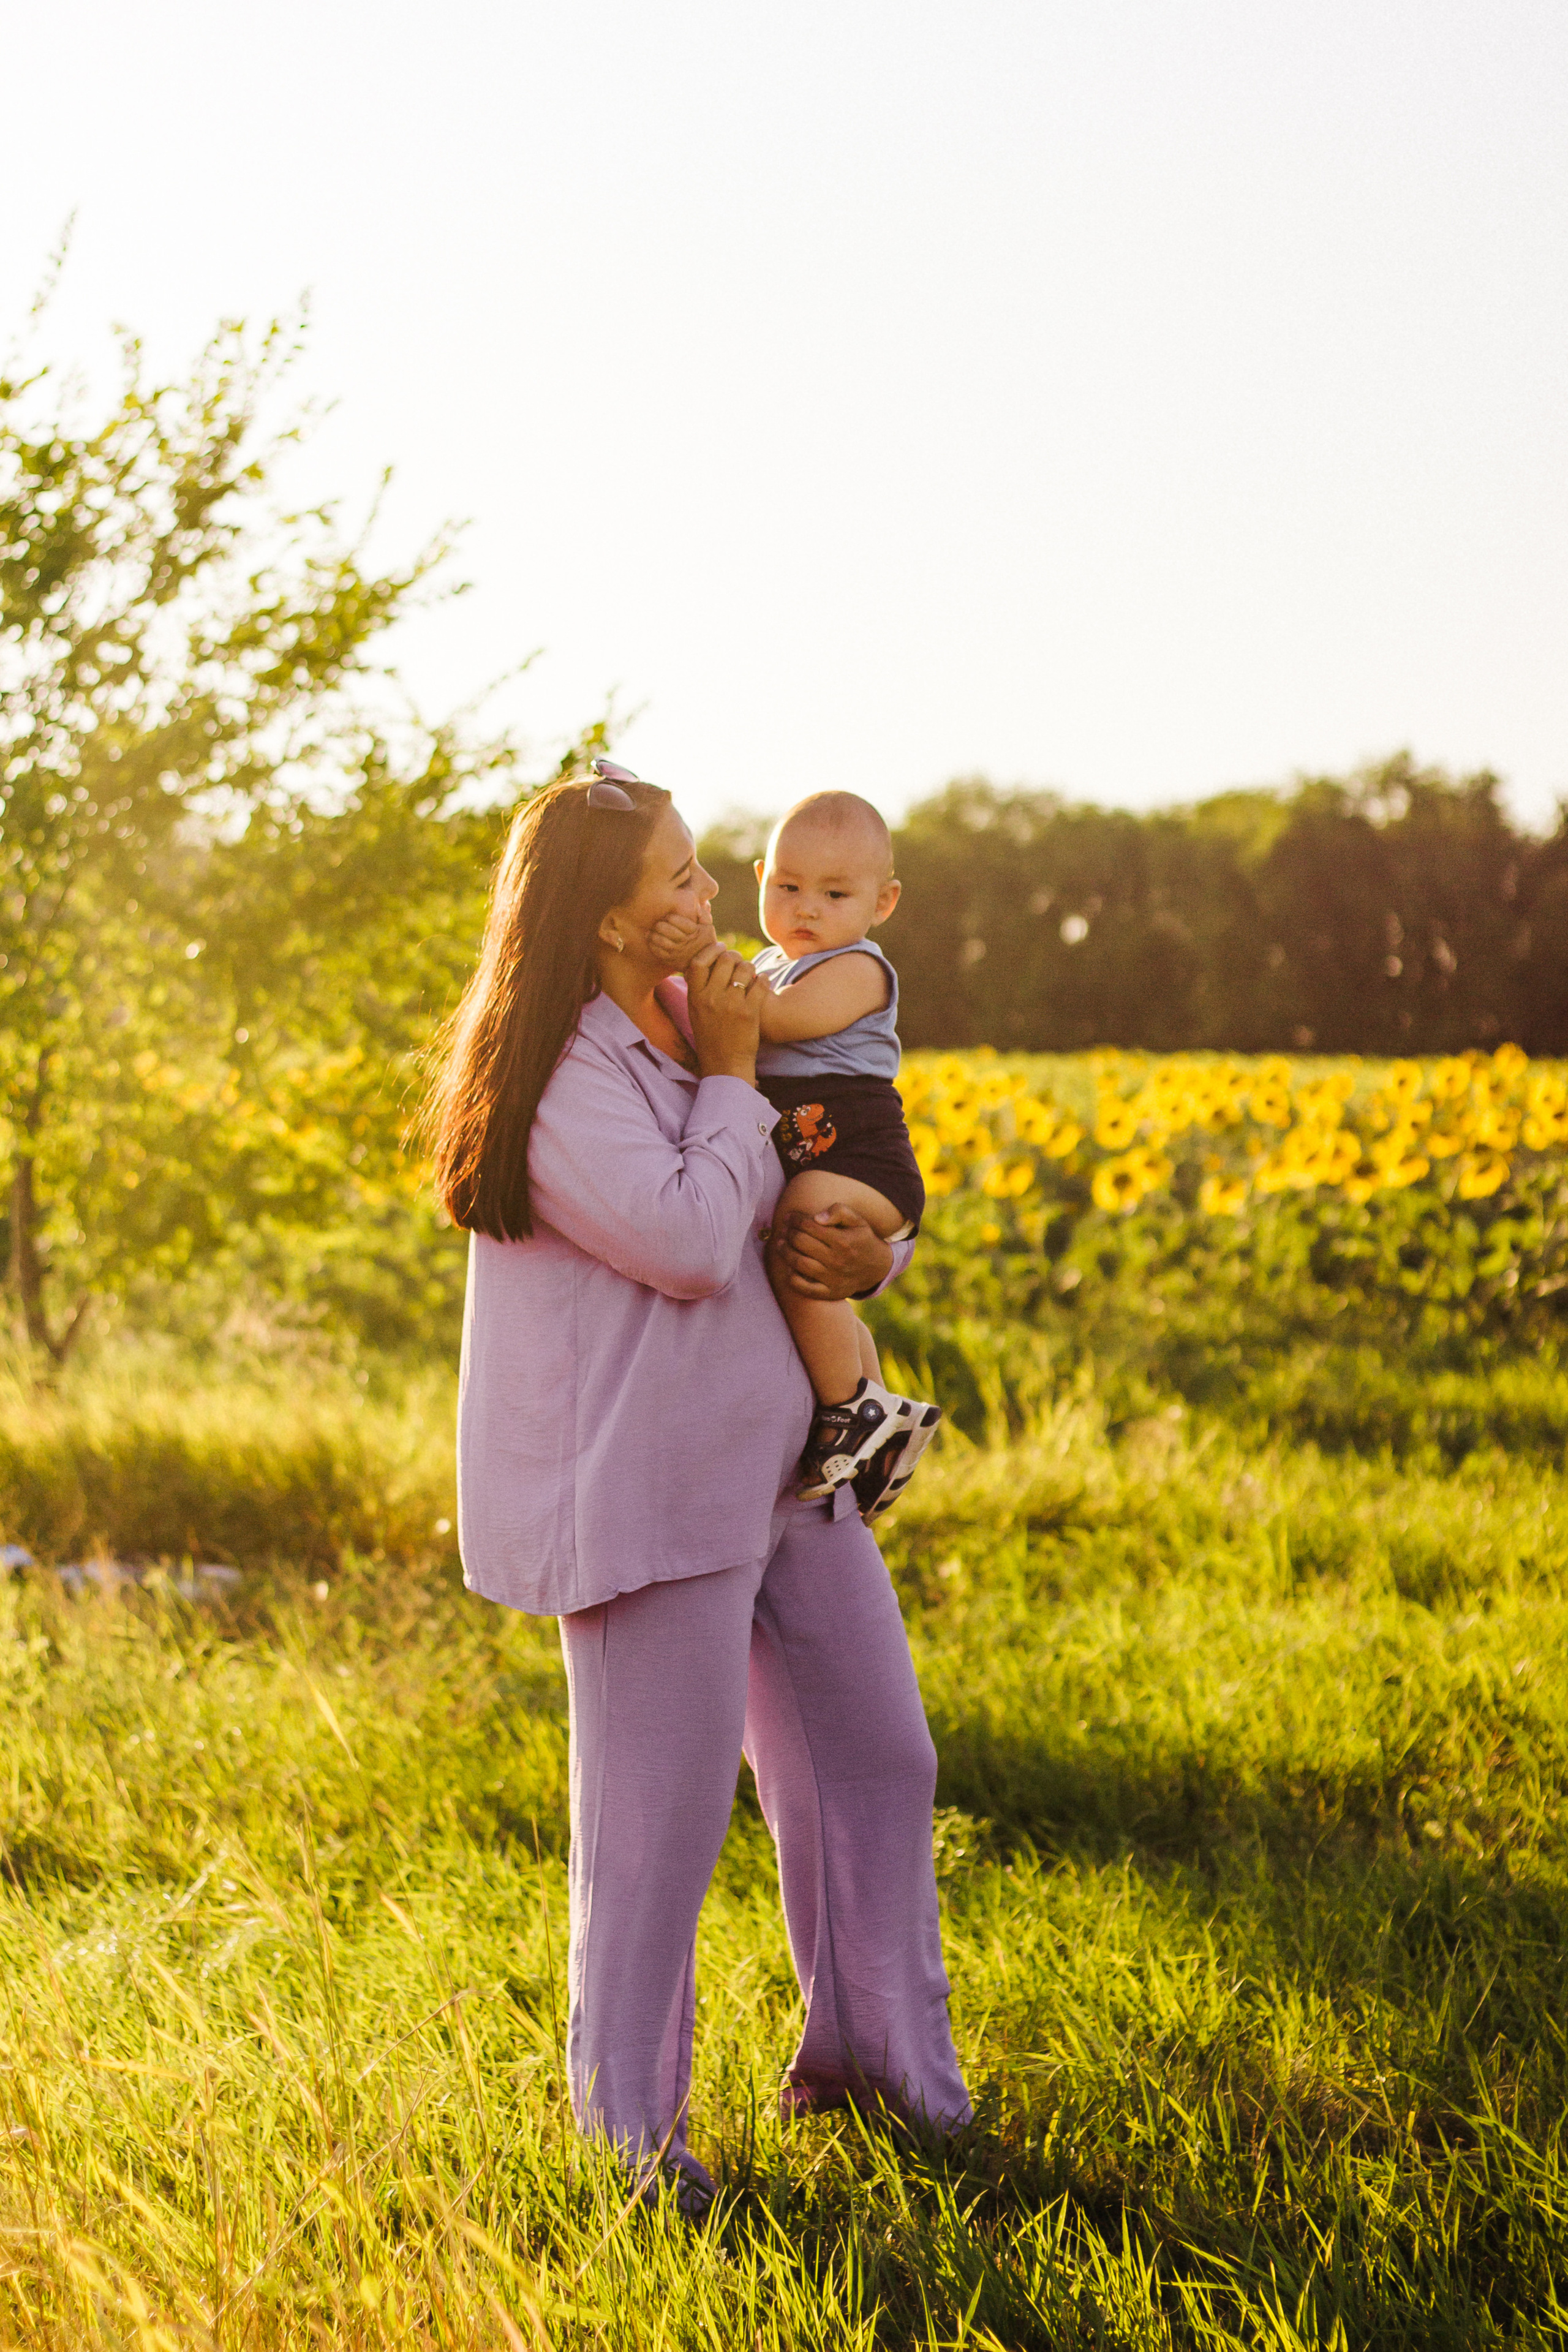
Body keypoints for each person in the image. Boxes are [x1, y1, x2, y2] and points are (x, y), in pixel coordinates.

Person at [427, 761, 971, 2220]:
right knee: (653, 1831)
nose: (713, 890)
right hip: (649, 1494)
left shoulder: (704, 1009)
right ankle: (630, 2150)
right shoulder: (566, 1074)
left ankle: (883, 2074)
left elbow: (817, 1175)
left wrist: (869, 1253)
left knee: (875, 1756)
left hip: (785, 1465)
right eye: (677, 875)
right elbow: (681, 1237)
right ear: (606, 920)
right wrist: (730, 1070)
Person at [651, 791, 940, 1518]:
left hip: (862, 1156)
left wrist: (694, 957)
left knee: (805, 1230)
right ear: (759, 880)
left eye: (835, 895)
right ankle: (878, 1415)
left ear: (883, 903)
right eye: (787, 887)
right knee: (809, 1266)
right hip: (819, 1150)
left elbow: (772, 1021)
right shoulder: (770, 964)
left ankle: (849, 1409)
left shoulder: (858, 969)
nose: (806, 908)